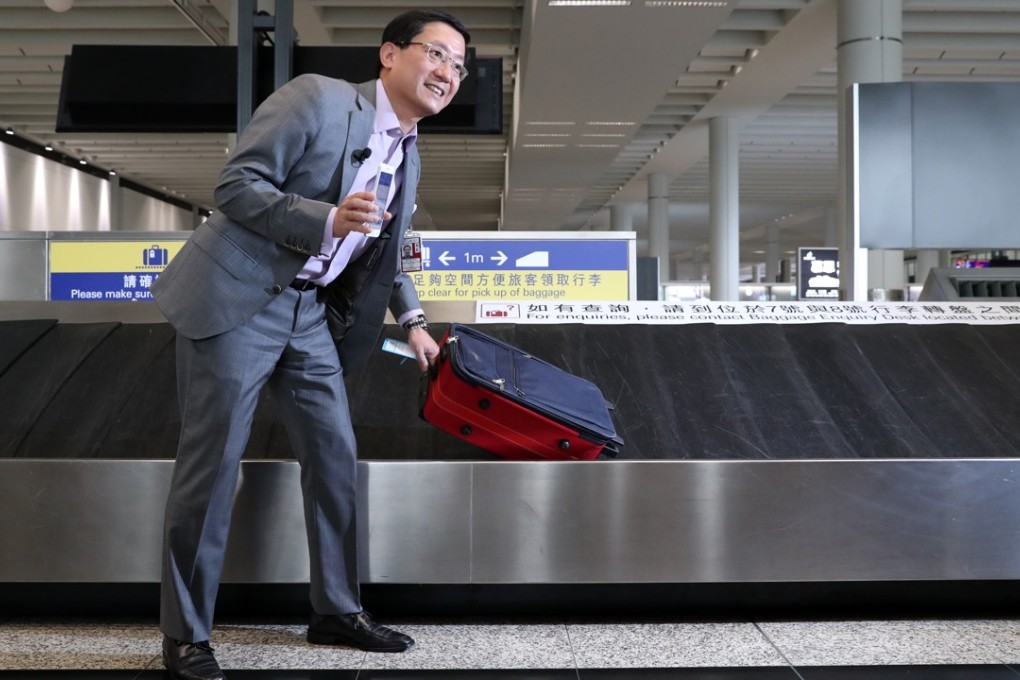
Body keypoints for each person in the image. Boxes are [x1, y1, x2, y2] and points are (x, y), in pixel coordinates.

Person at [151, 9, 470, 680]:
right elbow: (235, 185)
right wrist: (324, 218)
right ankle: (186, 634)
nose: (449, 72)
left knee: (333, 458)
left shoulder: (408, 151)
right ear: (390, 54)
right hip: (238, 300)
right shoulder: (319, 98)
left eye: (460, 66)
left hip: (309, 313)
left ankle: (335, 610)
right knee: (212, 468)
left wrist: (412, 320)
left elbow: (386, 251)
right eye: (437, 54)